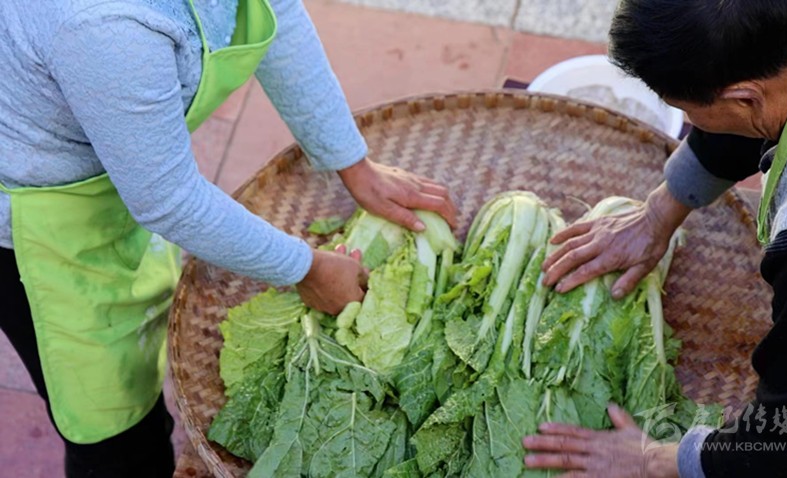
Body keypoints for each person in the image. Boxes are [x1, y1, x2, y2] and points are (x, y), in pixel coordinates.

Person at [0, 0, 456, 476]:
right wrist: (308, 269)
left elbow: (277, 13)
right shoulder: (101, 28)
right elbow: (170, 201)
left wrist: (352, 162)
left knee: (143, 360)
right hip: (45, 235)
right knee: (115, 434)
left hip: (122, 186)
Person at [522, 0, 787, 477]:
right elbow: (756, 106)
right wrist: (658, 213)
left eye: (686, 110)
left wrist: (654, 459)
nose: (690, 120)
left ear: (744, 99)